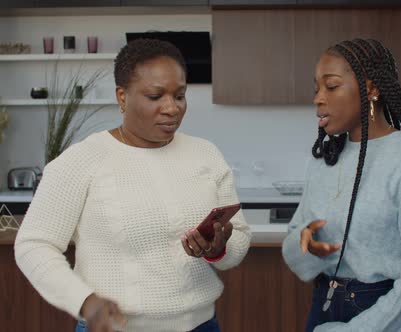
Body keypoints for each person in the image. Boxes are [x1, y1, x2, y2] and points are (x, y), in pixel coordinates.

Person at [14, 38, 251, 332]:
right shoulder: (81, 160)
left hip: (202, 325)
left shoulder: (206, 154)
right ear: (122, 97)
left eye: (179, 96)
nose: (172, 108)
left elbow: (238, 236)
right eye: (155, 96)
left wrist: (218, 248)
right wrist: (85, 301)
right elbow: (33, 245)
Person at [282, 38, 401, 332]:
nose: (318, 98)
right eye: (316, 88)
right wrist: (306, 245)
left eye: (331, 86)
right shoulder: (324, 160)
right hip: (324, 304)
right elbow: (295, 243)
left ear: (371, 89)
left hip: (386, 316)